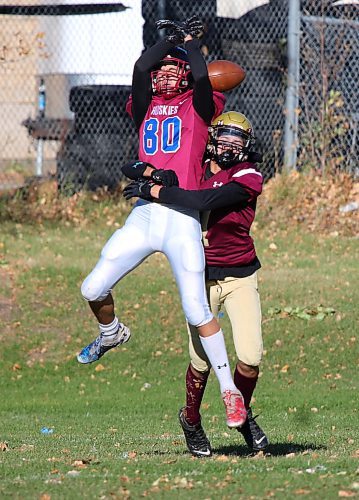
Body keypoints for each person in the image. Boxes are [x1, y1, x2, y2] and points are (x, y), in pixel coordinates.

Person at [77, 18, 247, 429]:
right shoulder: (144, 101)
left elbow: (203, 78)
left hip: (181, 218)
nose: (167, 72)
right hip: (145, 214)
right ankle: (112, 332)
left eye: (175, 67)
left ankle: (230, 392)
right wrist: (166, 42)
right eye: (163, 67)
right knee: (91, 287)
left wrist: (188, 47)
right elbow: (139, 69)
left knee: (195, 307)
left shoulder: (200, 103)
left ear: (186, 71)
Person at [123, 111, 269, 457]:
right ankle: (191, 421)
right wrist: (150, 173)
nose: (230, 146)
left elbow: (202, 201)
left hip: (239, 276)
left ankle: (240, 412)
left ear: (247, 147)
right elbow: (133, 166)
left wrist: (155, 189)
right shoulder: (194, 167)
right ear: (211, 138)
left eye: (238, 141)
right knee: (201, 361)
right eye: (224, 138)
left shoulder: (248, 175)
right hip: (199, 277)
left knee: (249, 358)